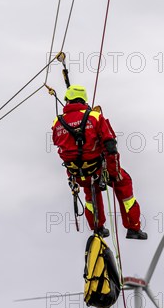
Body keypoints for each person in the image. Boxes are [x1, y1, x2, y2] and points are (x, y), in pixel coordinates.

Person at [51, 84, 147, 240]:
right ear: (84, 100)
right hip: (97, 167)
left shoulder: (57, 122)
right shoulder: (94, 117)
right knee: (124, 183)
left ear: (67, 100)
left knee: (90, 192)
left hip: (77, 172)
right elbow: (110, 144)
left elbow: (58, 143)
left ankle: (98, 228)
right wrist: (114, 172)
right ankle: (133, 228)